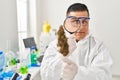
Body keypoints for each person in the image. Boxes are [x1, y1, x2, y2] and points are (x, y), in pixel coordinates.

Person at [41, 3, 113, 80]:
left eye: (84, 22)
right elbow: (45, 75)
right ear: (67, 23)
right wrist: (61, 57)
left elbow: (104, 76)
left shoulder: (98, 47)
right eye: (75, 21)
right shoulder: (55, 45)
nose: (81, 27)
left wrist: (77, 73)